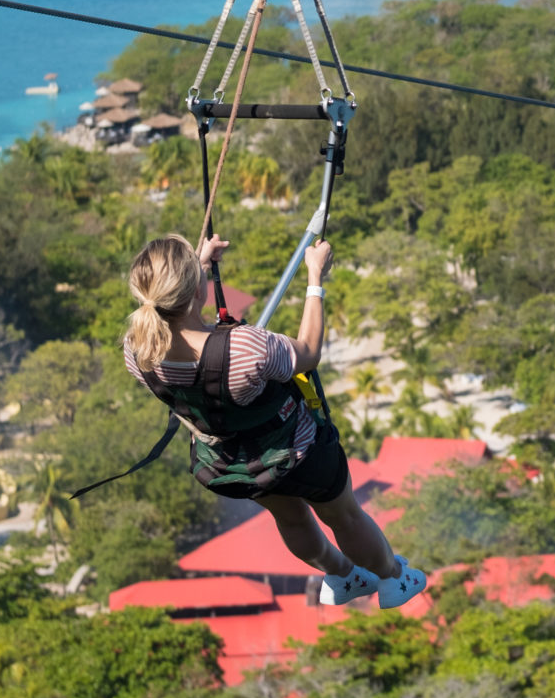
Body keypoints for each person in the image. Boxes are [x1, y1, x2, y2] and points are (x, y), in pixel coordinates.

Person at [122, 232, 426, 609]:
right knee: (342, 514)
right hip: (297, 450)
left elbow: (178, 320)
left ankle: (343, 575)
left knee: (292, 519)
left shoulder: (138, 352)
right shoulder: (246, 348)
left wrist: (199, 267)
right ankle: (394, 579)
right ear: (198, 291)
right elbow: (309, 352)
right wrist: (315, 278)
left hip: (233, 464)